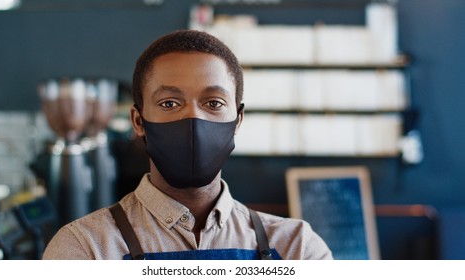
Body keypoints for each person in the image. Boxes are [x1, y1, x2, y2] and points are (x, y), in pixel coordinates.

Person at [42, 30, 332, 260]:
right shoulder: (83, 250)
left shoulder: (298, 249)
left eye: (213, 103)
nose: (193, 119)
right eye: (169, 103)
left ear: (238, 119)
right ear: (138, 120)